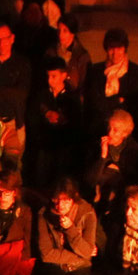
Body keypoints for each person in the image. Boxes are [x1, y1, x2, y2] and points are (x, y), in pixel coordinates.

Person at [27, 57, 82, 188]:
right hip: (44, 147)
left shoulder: (72, 97)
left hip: (63, 149)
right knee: (42, 181)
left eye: (54, 76)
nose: (49, 80)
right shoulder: (41, 95)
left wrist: (62, 120)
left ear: (63, 75)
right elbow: (32, 118)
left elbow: (77, 124)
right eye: (48, 76)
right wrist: (45, 116)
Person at [84, 27, 138, 129]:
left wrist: (108, 102)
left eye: (119, 48)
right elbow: (94, 102)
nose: (115, 53)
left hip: (125, 127)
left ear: (125, 48)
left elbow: (134, 103)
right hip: (99, 125)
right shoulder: (95, 70)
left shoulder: (134, 71)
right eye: (111, 48)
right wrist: (118, 100)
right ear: (106, 49)